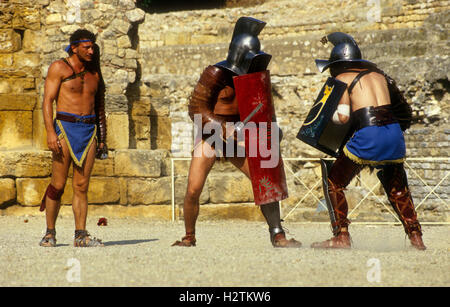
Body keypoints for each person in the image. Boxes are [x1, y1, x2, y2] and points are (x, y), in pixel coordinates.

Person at [172, 17, 301, 248]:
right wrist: (224, 128)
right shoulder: (214, 74)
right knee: (193, 188)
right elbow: (196, 109)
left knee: (264, 182)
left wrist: (273, 131)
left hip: (239, 136)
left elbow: (265, 112)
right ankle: (189, 236)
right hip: (210, 133)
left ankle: (277, 233)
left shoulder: (255, 79)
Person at [310, 32, 426, 250]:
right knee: (398, 188)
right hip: (393, 134)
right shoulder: (381, 76)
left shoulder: (341, 78)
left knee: (334, 181)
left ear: (337, 64)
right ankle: (416, 237)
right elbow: (403, 109)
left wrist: (331, 118)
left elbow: (343, 117)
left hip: (368, 135)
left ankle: (341, 236)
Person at [39, 29, 107, 247]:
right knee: (58, 184)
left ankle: (80, 235)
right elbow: (47, 101)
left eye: (92, 46)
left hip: (89, 132)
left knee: (81, 186)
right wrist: (51, 132)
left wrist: (103, 138)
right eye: (86, 47)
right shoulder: (59, 67)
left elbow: (100, 107)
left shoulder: (95, 73)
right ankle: (50, 233)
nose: (91, 50)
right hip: (64, 129)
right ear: (75, 47)